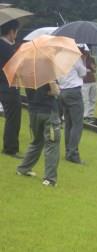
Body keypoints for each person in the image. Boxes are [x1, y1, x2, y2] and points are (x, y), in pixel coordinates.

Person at [16, 81, 60, 187]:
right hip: (48, 111)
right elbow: (55, 91)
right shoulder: (48, 72)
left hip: (33, 111)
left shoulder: (28, 72)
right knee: (52, 144)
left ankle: (23, 168)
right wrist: (53, 86)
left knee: (37, 141)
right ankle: (49, 179)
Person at [58, 55, 87, 164]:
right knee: (77, 124)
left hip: (63, 91)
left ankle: (68, 151)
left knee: (68, 124)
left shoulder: (58, 58)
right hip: (74, 91)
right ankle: (73, 153)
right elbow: (83, 72)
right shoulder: (74, 57)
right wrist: (83, 60)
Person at [0, 20, 22, 158]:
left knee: (11, 117)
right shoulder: (6, 48)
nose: (16, 35)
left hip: (4, 86)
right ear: (11, 32)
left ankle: (10, 146)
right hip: (8, 86)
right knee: (13, 118)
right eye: (16, 32)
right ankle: (10, 148)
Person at [81, 45, 97, 123]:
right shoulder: (80, 59)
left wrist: (92, 67)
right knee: (85, 99)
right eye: (85, 51)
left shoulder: (91, 59)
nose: (86, 53)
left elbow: (94, 70)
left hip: (92, 80)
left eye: (87, 51)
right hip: (84, 82)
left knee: (92, 98)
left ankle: (90, 115)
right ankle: (85, 115)